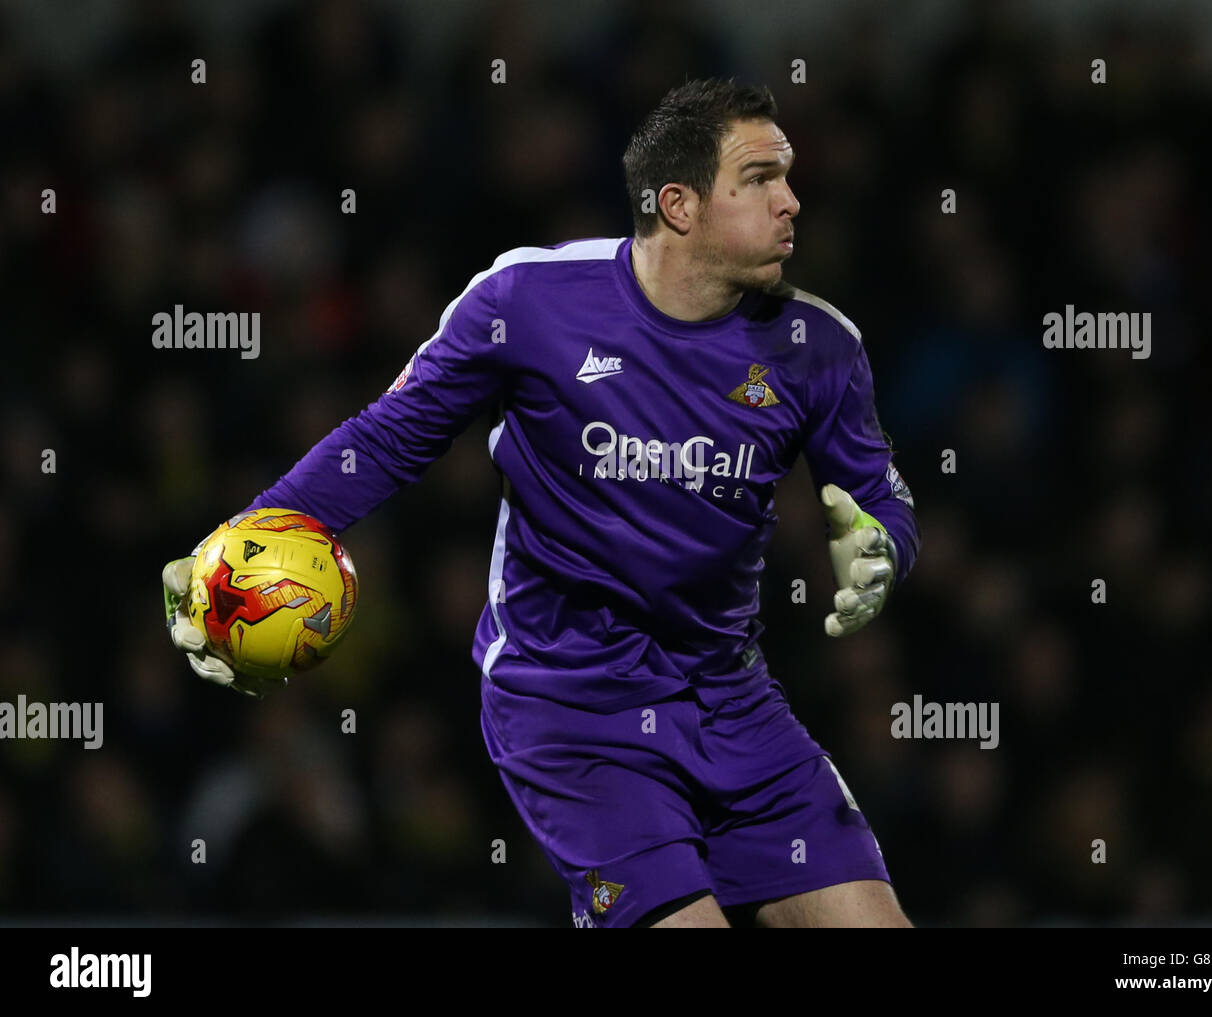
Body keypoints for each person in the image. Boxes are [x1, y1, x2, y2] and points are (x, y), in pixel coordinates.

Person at [162, 77, 919, 928]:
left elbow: (876, 492)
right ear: (678, 204)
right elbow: (386, 438)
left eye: (787, 176)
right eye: (760, 179)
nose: (793, 200)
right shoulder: (527, 303)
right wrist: (242, 535)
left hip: (731, 699)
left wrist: (884, 544)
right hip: (569, 700)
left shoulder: (820, 347)